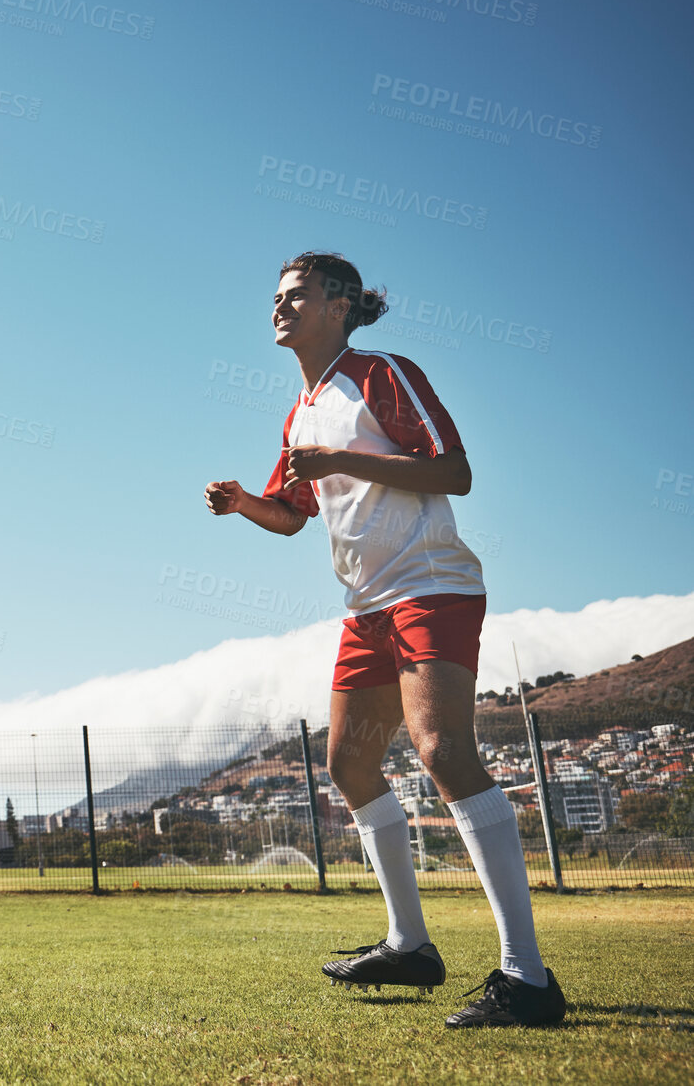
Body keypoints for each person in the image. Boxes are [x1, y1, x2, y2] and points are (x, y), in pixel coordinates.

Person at [203, 251, 565, 1029]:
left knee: (442, 751)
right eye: (274, 297)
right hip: (365, 605)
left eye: (295, 295)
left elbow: (455, 471)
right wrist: (243, 504)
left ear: (338, 304)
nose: (279, 307)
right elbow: (291, 512)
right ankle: (409, 945)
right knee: (349, 761)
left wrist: (338, 458)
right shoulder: (299, 412)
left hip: (430, 583)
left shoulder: (379, 374)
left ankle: (526, 977)